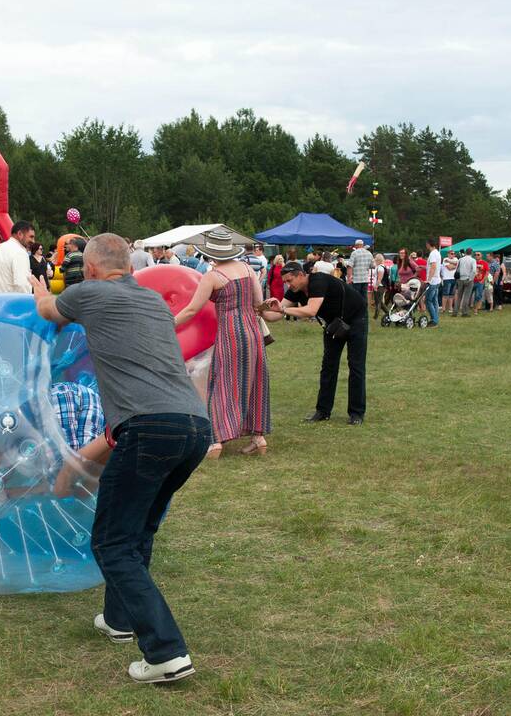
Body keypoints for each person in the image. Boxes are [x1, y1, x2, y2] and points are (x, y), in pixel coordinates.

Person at [30, 233, 209, 684]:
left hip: (148, 428)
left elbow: (49, 312)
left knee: (111, 543)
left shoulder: (87, 293)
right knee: (137, 529)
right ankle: (120, 619)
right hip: (194, 427)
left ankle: (166, 652)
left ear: (90, 268)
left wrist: (37, 287)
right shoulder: (151, 301)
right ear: (129, 266)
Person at [174, 232, 270, 459]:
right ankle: (258, 438)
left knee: (222, 384)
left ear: (210, 253)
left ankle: (216, 440)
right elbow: (259, 305)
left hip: (230, 334)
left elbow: (191, 309)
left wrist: (169, 323)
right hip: (253, 332)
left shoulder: (213, 276)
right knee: (255, 382)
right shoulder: (248, 269)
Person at [261, 262, 368, 425]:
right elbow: (276, 314)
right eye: (285, 282)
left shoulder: (318, 281)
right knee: (328, 366)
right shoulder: (295, 290)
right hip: (335, 323)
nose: (288, 285)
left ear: (301, 275)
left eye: (290, 280)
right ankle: (323, 411)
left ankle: (356, 413)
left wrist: (281, 310)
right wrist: (259, 311)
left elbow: (310, 310)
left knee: (355, 365)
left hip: (356, 318)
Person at [0, 221, 35, 295]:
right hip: (8, 303)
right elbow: (22, 285)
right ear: (20, 234)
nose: (33, 241)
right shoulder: (20, 252)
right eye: (31, 237)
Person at [453, 248, 477, 317]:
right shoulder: (473, 260)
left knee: (459, 296)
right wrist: (470, 278)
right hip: (468, 279)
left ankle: (455, 312)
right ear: (471, 253)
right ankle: (464, 312)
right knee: (466, 296)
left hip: (460, 279)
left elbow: (457, 269)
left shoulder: (460, 259)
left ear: (466, 252)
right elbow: (474, 270)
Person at [424, 238, 442, 327]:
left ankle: (434, 320)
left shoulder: (432, 254)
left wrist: (429, 280)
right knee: (434, 301)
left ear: (428, 244)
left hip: (433, 281)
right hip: (437, 280)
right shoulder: (437, 253)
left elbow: (433, 267)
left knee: (428, 301)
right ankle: (436, 319)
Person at [441, 249, 458, 314]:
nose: (453, 255)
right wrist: (455, 265)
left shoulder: (456, 259)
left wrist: (452, 263)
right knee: (445, 294)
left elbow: (456, 264)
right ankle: (443, 308)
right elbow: (449, 268)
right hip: (447, 279)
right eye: (451, 253)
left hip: (454, 278)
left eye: (453, 253)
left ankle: (450, 308)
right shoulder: (445, 259)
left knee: (451, 295)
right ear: (448, 254)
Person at [370, 253, 386, 319]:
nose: (375, 260)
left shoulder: (380, 268)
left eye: (376, 259)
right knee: (380, 302)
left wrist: (376, 286)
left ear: (378, 260)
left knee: (378, 302)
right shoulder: (378, 267)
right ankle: (388, 313)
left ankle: (375, 317)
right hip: (378, 286)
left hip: (379, 286)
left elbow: (379, 279)